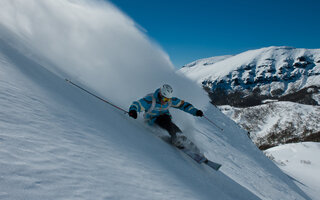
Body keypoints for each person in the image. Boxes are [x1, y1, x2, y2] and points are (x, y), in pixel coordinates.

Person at [128, 84, 203, 148]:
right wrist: (133, 111)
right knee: (166, 122)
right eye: (164, 98)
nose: (165, 101)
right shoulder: (150, 100)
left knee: (175, 128)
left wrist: (196, 111)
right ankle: (177, 140)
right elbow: (138, 104)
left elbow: (183, 105)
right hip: (152, 120)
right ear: (160, 94)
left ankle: (187, 143)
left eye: (168, 99)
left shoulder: (169, 101)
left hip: (166, 119)